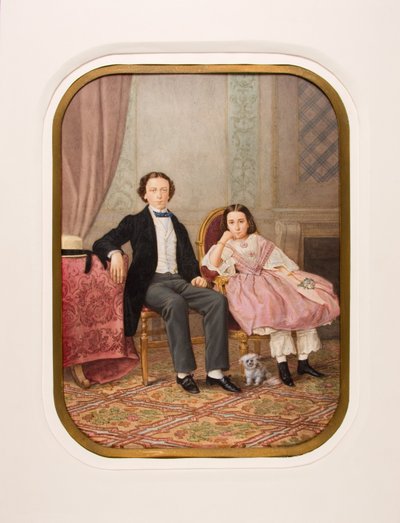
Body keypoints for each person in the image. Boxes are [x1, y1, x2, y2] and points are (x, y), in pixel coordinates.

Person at [92, 172, 241, 394]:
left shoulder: (177, 225)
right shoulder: (134, 221)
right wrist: (114, 253)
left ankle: (215, 372)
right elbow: (102, 242)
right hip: (151, 284)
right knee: (175, 303)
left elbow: (188, 259)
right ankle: (184, 373)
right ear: (145, 194)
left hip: (179, 280)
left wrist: (195, 276)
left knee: (217, 300)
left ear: (169, 193)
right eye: (153, 190)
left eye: (164, 190)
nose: (159, 195)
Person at [202, 203, 340, 387]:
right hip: (247, 289)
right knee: (276, 312)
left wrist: (295, 279)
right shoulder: (227, 245)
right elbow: (213, 264)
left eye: (241, 221)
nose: (237, 227)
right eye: (232, 223)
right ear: (226, 226)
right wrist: (223, 240)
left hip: (272, 280)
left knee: (304, 304)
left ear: (248, 222)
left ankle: (303, 362)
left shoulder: (258, 240)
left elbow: (281, 263)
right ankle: (283, 366)